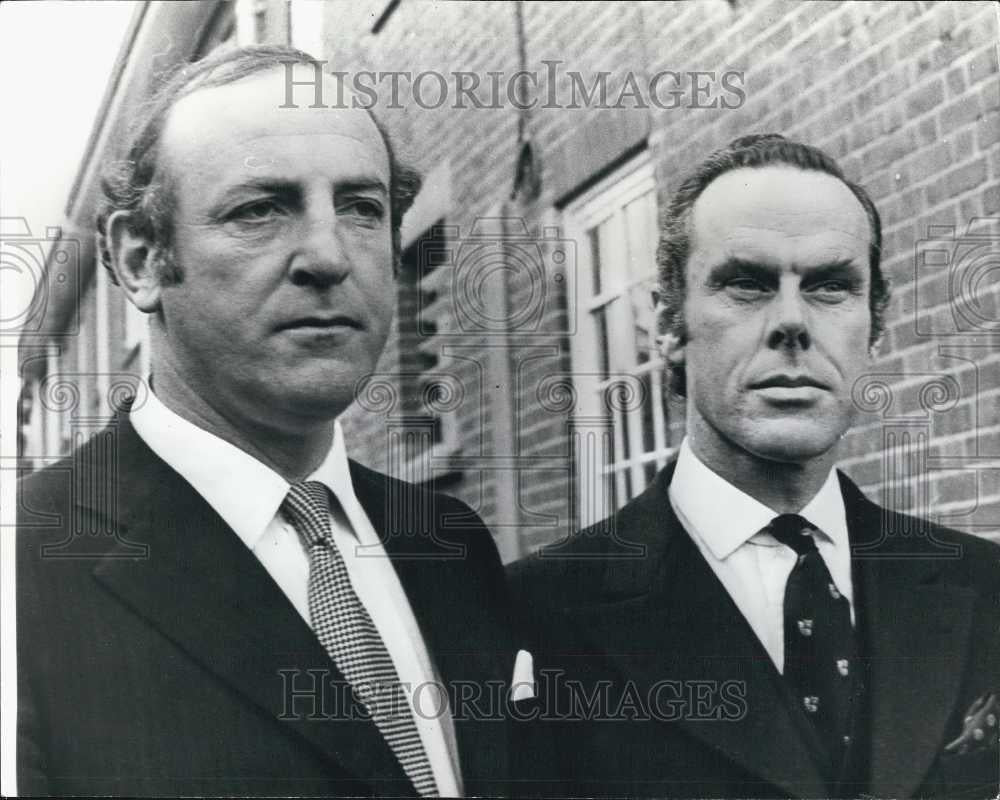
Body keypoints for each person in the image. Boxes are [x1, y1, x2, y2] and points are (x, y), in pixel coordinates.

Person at [17, 45, 528, 798]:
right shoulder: (27, 570)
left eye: (362, 209)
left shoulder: (449, 544)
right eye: (260, 209)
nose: (328, 255)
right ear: (141, 259)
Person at [509, 134, 1000, 799]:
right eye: (746, 284)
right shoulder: (529, 618)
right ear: (670, 327)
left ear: (874, 332)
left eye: (830, 287)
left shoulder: (984, 588)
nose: (792, 322)